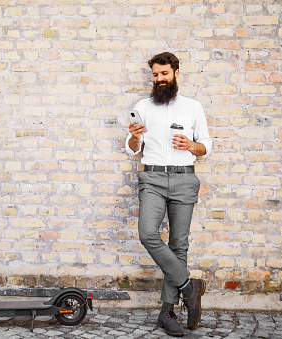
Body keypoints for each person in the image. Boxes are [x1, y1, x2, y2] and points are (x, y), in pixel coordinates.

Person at [125, 52, 212, 337]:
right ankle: (190, 287)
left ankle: (167, 311)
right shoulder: (143, 106)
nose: (159, 80)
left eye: (164, 74)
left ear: (176, 72)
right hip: (152, 177)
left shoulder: (193, 107)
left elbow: (206, 147)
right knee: (148, 233)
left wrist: (191, 145)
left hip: (185, 178)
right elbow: (133, 148)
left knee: (178, 245)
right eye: (155, 75)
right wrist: (135, 137)